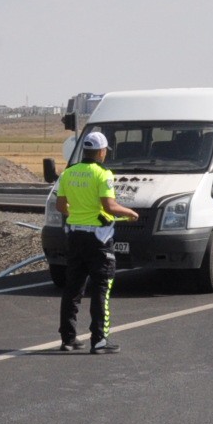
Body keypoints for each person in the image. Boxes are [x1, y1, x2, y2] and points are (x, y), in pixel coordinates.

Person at [55, 129, 139, 353]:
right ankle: (100, 340)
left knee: (73, 288)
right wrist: (130, 212)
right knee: (102, 287)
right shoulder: (103, 174)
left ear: (85, 151)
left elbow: (60, 206)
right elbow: (109, 206)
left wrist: (78, 213)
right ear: (101, 152)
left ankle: (68, 338)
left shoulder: (69, 173)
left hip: (75, 236)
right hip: (98, 239)